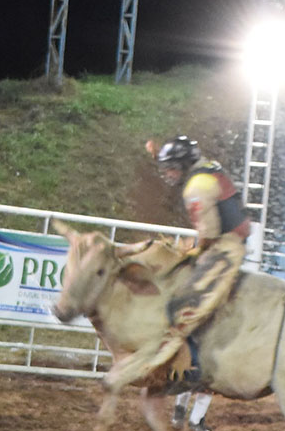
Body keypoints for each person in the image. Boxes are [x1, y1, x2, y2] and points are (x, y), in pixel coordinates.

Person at [103, 135, 250, 394]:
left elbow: (208, 234)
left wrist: (196, 251)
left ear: (182, 166)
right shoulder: (206, 168)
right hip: (228, 241)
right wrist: (158, 153)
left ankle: (190, 368)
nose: (167, 174)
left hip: (223, 248)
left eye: (171, 168)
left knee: (187, 304)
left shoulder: (195, 189)